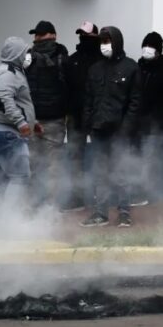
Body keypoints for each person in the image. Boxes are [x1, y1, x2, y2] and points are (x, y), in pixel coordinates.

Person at [81, 27, 141, 228]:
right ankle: (101, 213)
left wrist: (127, 128)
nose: (104, 45)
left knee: (121, 172)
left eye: (107, 41)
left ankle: (124, 213)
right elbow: (88, 100)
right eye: (102, 41)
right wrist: (87, 126)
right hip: (98, 130)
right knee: (100, 173)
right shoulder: (95, 69)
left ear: (117, 42)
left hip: (120, 131)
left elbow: (135, 102)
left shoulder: (131, 67)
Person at [0, 37, 41, 206]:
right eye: (25, 53)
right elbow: (5, 101)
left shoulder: (11, 71)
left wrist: (32, 122)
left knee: (2, 180)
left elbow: (19, 102)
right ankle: (9, 219)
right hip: (6, 133)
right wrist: (22, 123)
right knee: (20, 177)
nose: (27, 56)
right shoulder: (8, 73)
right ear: (16, 54)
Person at [25, 20, 69, 208]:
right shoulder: (62, 55)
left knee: (33, 166)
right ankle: (51, 208)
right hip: (55, 119)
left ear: (50, 35)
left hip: (33, 119)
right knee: (54, 167)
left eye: (39, 34)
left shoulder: (28, 57)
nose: (36, 38)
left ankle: (34, 206)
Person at [62, 21, 103, 212]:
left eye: (87, 35)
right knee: (75, 158)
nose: (83, 39)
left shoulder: (103, 61)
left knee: (100, 157)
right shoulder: (72, 60)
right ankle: (77, 197)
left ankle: (100, 195)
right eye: (81, 35)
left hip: (98, 117)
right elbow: (66, 88)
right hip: (76, 118)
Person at [135, 31, 163, 204]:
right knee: (136, 159)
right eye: (145, 46)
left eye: (151, 47)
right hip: (137, 124)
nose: (146, 50)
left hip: (156, 125)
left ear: (158, 50)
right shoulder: (138, 69)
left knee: (149, 160)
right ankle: (140, 191)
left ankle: (145, 194)